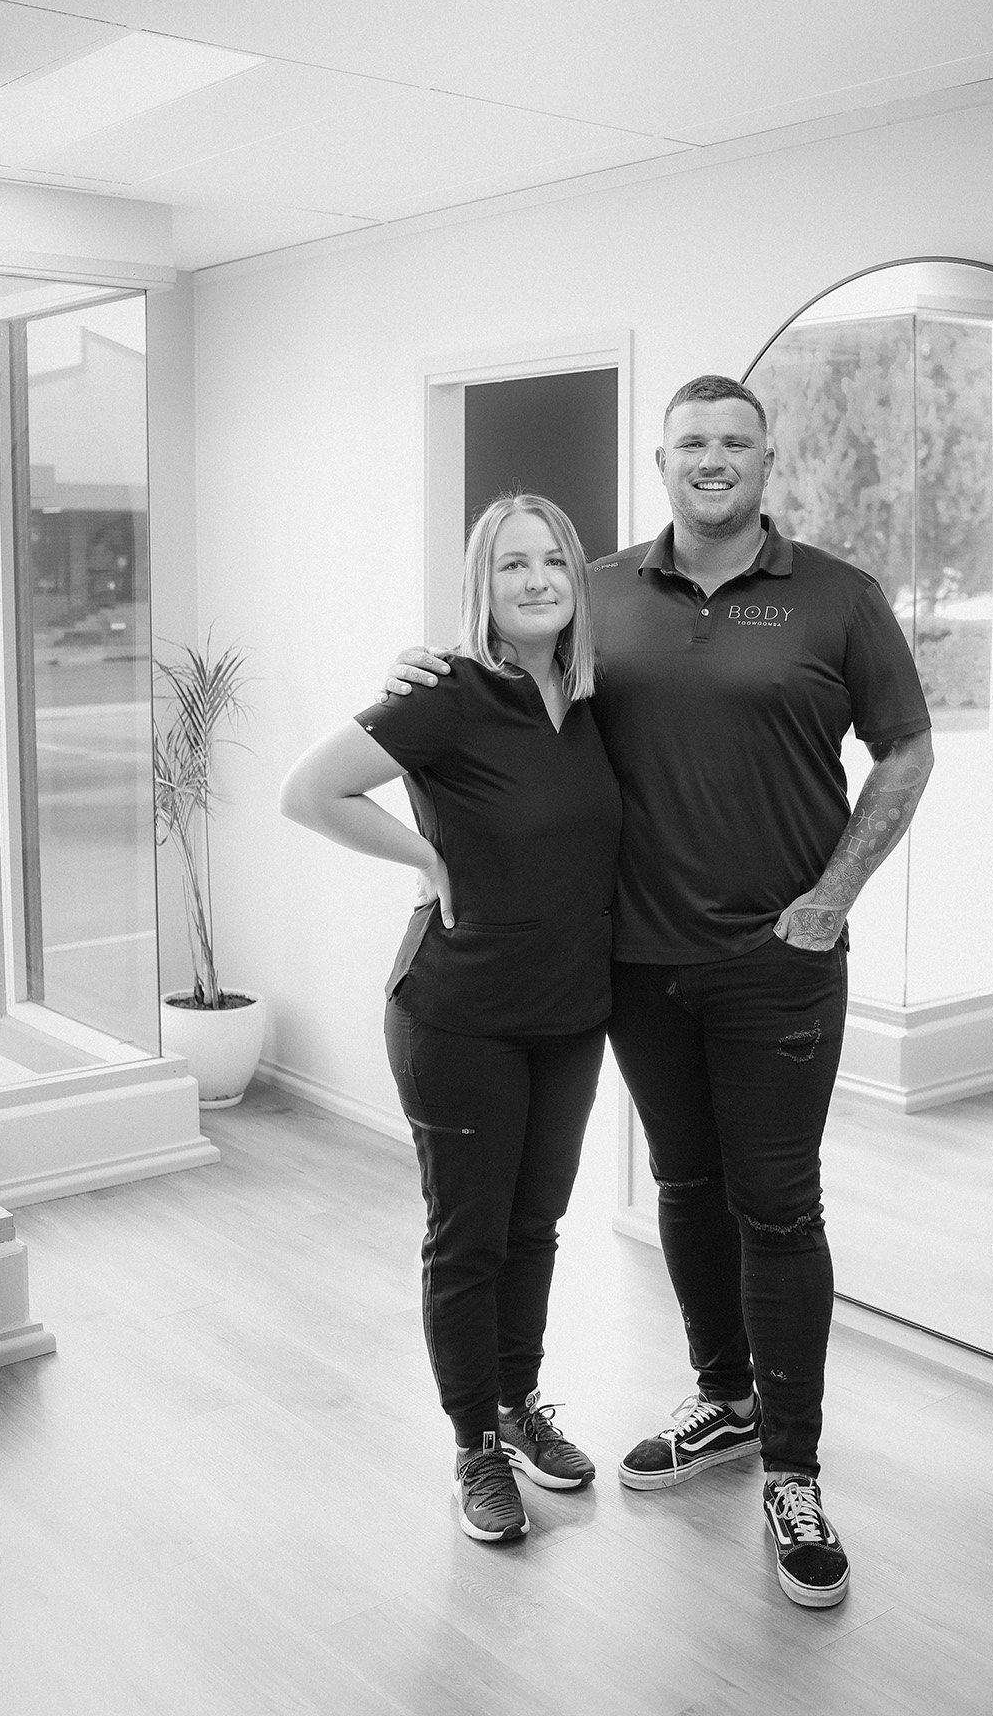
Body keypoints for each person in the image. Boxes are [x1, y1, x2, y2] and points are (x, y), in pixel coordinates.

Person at [384, 377, 933, 1608]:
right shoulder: (605, 593)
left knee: (778, 1211)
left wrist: (834, 896)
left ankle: (792, 1470)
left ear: (765, 458)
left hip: (775, 964)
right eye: (692, 442)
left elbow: (906, 745)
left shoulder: (835, 595)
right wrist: (417, 666)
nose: (713, 459)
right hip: (633, 964)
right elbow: (512, 703)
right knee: (684, 1188)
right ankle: (724, 1402)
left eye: (735, 441)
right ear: (660, 457)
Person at [280, 494, 622, 1544]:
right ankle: (472, 1443)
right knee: (468, 1237)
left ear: (576, 581)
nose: (533, 582)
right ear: (482, 584)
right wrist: (425, 858)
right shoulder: (447, 694)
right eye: (510, 564)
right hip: (456, 1014)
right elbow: (310, 790)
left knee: (535, 1226)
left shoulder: (597, 702)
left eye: (552, 563)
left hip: (568, 1014)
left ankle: (517, 1405)